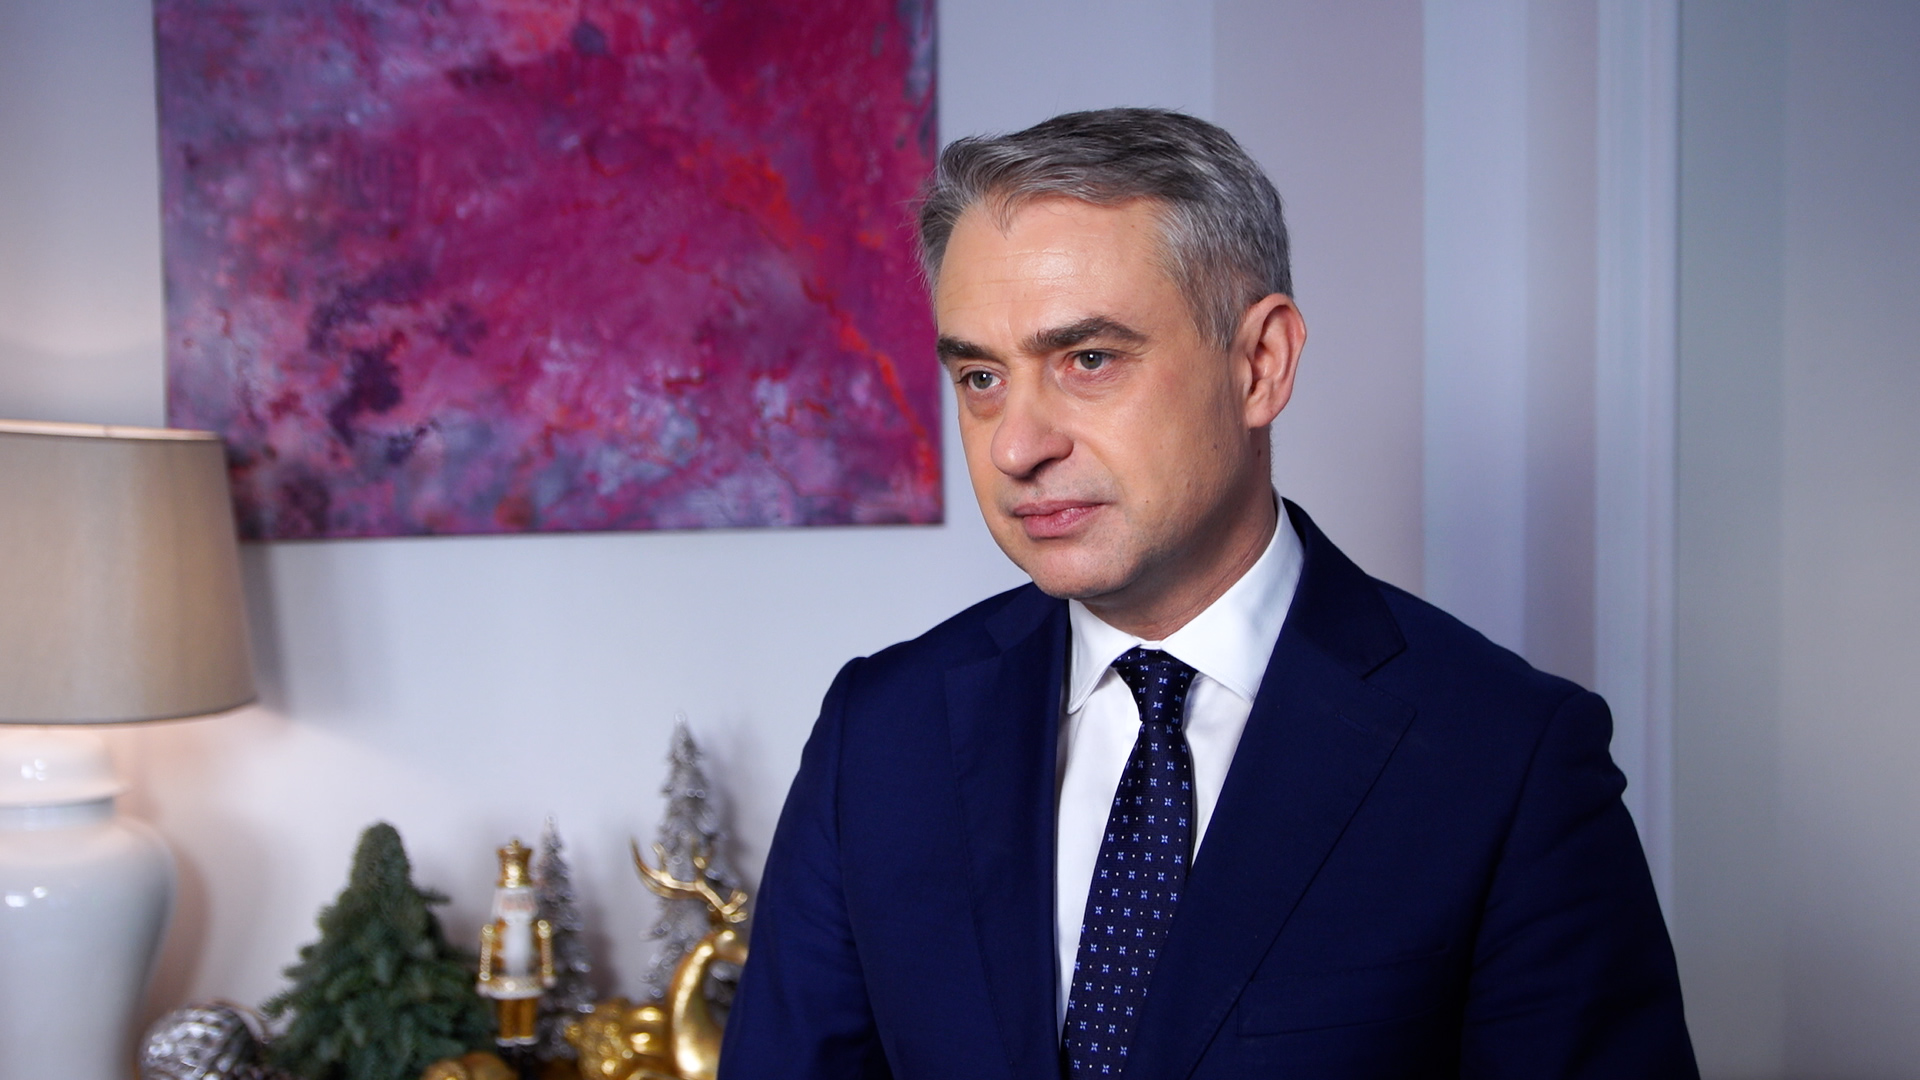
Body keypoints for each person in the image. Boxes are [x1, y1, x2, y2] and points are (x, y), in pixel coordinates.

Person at [719, 108, 1695, 1079]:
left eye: (1088, 360)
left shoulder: (1508, 758)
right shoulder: (880, 735)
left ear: (1260, 364)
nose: (1016, 445)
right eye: (980, 377)